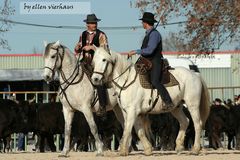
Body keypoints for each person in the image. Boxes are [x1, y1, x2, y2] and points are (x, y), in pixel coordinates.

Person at [128, 12, 174, 109]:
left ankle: (168, 102)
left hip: (155, 61)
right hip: (147, 61)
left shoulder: (154, 35)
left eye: (143, 22)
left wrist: (136, 51)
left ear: (146, 23)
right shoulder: (149, 33)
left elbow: (150, 50)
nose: (142, 24)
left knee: (155, 81)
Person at [74, 14, 109, 116]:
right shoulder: (83, 34)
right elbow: (79, 47)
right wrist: (77, 47)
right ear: (87, 24)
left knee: (98, 81)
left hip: (97, 64)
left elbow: (105, 50)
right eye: (93, 23)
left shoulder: (101, 35)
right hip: (85, 62)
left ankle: (102, 107)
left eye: (95, 22)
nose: (95, 24)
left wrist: (92, 48)